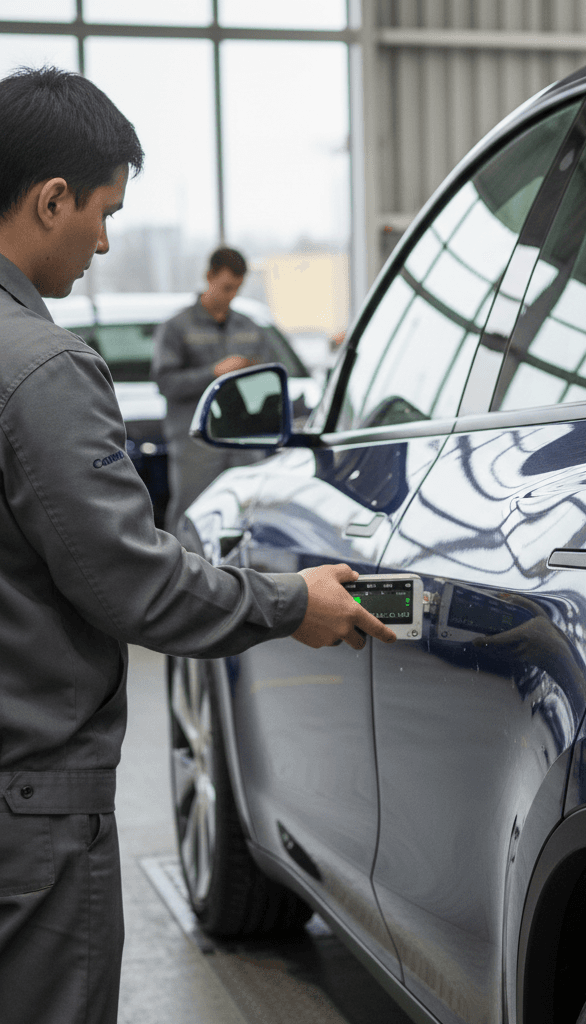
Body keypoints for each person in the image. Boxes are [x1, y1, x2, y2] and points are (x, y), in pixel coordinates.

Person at [0, 67, 395, 1024]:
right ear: (51, 199)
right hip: (30, 804)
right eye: (103, 213)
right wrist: (291, 602)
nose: (104, 242)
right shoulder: (43, 368)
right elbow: (130, 582)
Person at [151, 245, 277, 535]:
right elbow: (166, 383)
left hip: (243, 439)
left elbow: (270, 379)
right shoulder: (176, 328)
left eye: (237, 289)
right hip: (196, 442)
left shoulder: (249, 328)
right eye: (226, 287)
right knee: (191, 515)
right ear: (209, 277)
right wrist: (214, 373)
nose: (231, 295)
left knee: (246, 517)